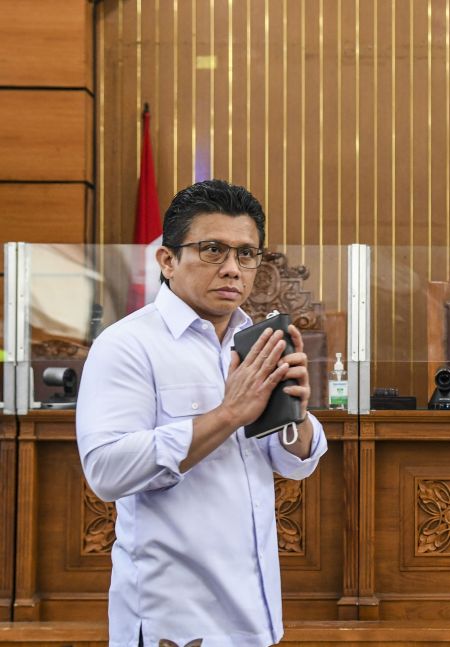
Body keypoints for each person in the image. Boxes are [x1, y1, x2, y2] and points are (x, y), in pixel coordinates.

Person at [76, 179, 327, 647]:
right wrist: (228, 414)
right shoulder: (127, 345)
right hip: (172, 620)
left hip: (257, 612)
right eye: (213, 250)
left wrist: (297, 415)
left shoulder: (255, 339)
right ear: (167, 260)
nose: (233, 269)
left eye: (247, 254)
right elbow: (107, 471)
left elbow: (294, 462)